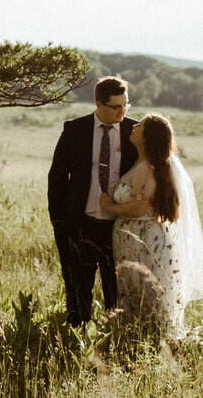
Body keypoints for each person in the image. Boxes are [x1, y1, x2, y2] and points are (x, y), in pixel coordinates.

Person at [102, 112, 203, 340]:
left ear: (148, 136)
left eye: (140, 125)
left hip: (143, 239)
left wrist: (108, 206)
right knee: (138, 289)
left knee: (145, 290)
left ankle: (149, 339)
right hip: (136, 239)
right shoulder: (142, 164)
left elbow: (138, 209)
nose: (134, 125)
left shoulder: (146, 168)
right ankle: (141, 336)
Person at [44, 76, 140, 324]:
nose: (122, 111)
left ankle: (113, 343)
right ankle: (77, 344)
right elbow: (57, 174)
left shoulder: (136, 131)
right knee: (78, 294)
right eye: (116, 106)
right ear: (98, 104)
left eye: (126, 105)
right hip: (78, 223)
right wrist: (58, 219)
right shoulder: (74, 129)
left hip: (118, 227)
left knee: (116, 294)